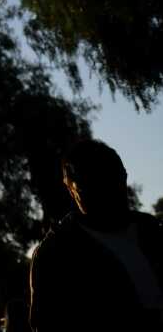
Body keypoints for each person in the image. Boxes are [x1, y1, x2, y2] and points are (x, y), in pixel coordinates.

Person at [29, 139, 163, 331]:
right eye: (90, 186)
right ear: (71, 189)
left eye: (111, 181)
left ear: (124, 177)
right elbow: (46, 322)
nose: (105, 194)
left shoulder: (151, 231)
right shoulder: (56, 253)